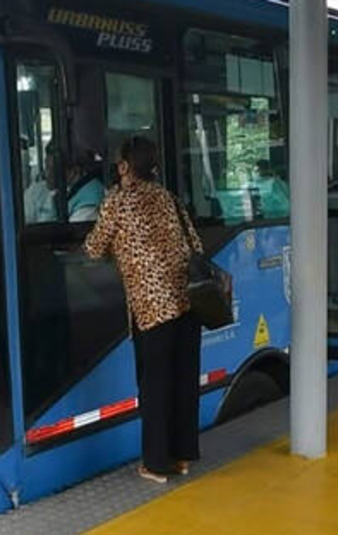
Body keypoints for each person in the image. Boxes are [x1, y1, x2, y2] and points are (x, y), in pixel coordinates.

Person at [84, 136, 204, 484]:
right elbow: (194, 244)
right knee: (183, 380)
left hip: (152, 310)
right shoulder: (169, 198)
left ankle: (155, 463)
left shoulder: (117, 202)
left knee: (154, 384)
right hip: (187, 302)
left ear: (124, 167)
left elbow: (94, 248)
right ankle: (182, 456)